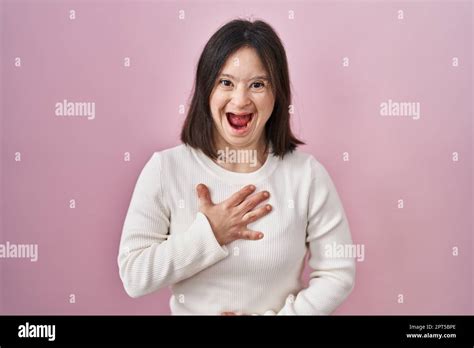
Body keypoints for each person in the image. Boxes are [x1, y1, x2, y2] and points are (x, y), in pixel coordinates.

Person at [117, 18, 355, 315]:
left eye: (257, 84)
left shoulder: (307, 176)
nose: (240, 100)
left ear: (276, 94)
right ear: (207, 89)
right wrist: (210, 234)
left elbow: (338, 273)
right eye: (225, 82)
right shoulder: (165, 169)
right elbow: (134, 275)